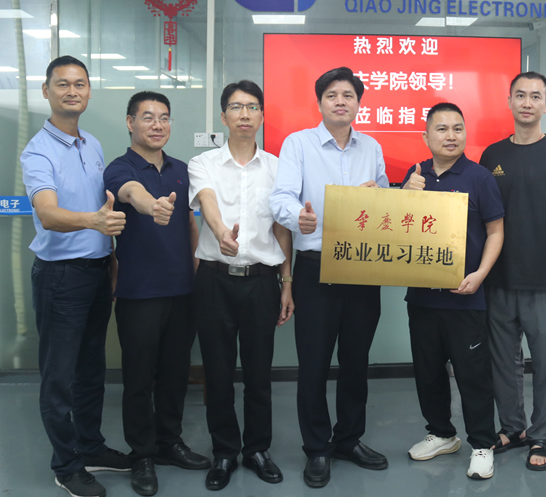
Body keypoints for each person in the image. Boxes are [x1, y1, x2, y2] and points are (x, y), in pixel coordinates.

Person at [270, 67, 389, 488]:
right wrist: (297, 217)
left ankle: (348, 439)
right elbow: (280, 198)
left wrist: (380, 197)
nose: (340, 101)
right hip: (316, 266)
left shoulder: (371, 147)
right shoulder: (298, 144)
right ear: (320, 102)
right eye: (332, 95)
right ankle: (317, 447)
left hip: (362, 266)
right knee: (314, 364)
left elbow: (386, 206)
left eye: (348, 95)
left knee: (356, 362)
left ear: (359, 103)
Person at [21, 55, 130, 497]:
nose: (72, 91)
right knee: (59, 377)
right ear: (46, 91)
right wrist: (94, 224)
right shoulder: (37, 151)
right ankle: (66, 466)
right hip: (60, 278)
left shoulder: (93, 144)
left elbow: (103, 209)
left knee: (90, 370)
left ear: (88, 91)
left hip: (97, 272)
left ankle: (90, 446)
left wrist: (111, 256)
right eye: (62, 84)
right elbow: (48, 214)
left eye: (79, 84)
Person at [478, 71, 546, 471]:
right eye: (520, 95)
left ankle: (541, 435)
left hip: (543, 277)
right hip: (499, 276)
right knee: (503, 363)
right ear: (509, 101)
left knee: (543, 363)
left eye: (535, 96)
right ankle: (513, 428)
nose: (527, 102)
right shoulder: (491, 155)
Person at [188, 80, 293, 491]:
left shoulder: (278, 168)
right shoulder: (203, 163)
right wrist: (221, 233)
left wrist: (287, 282)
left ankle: (257, 450)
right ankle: (224, 452)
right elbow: (208, 201)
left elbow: (282, 229)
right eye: (236, 107)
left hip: (262, 282)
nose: (244, 114)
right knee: (217, 373)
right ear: (223, 116)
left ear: (262, 115)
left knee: (258, 374)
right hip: (214, 280)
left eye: (252, 107)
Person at [103, 91, 208, 496]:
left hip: (182, 291)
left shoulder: (182, 169)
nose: (157, 124)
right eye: (147, 117)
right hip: (139, 293)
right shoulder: (120, 168)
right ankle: (142, 454)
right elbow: (132, 193)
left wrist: (196, 269)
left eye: (164, 117)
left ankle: (169, 443)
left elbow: (190, 224)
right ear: (130, 123)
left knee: (174, 374)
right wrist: (153, 206)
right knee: (138, 378)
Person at [401, 103, 504, 480]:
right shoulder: (416, 175)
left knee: (472, 375)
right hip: (422, 297)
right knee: (427, 371)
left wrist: (480, 275)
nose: (450, 136)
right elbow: (397, 229)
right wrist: (404, 194)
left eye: (457, 129)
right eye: (441, 129)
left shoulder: (480, 177)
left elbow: (496, 231)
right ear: (426, 136)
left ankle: (482, 444)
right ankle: (442, 434)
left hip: (466, 296)